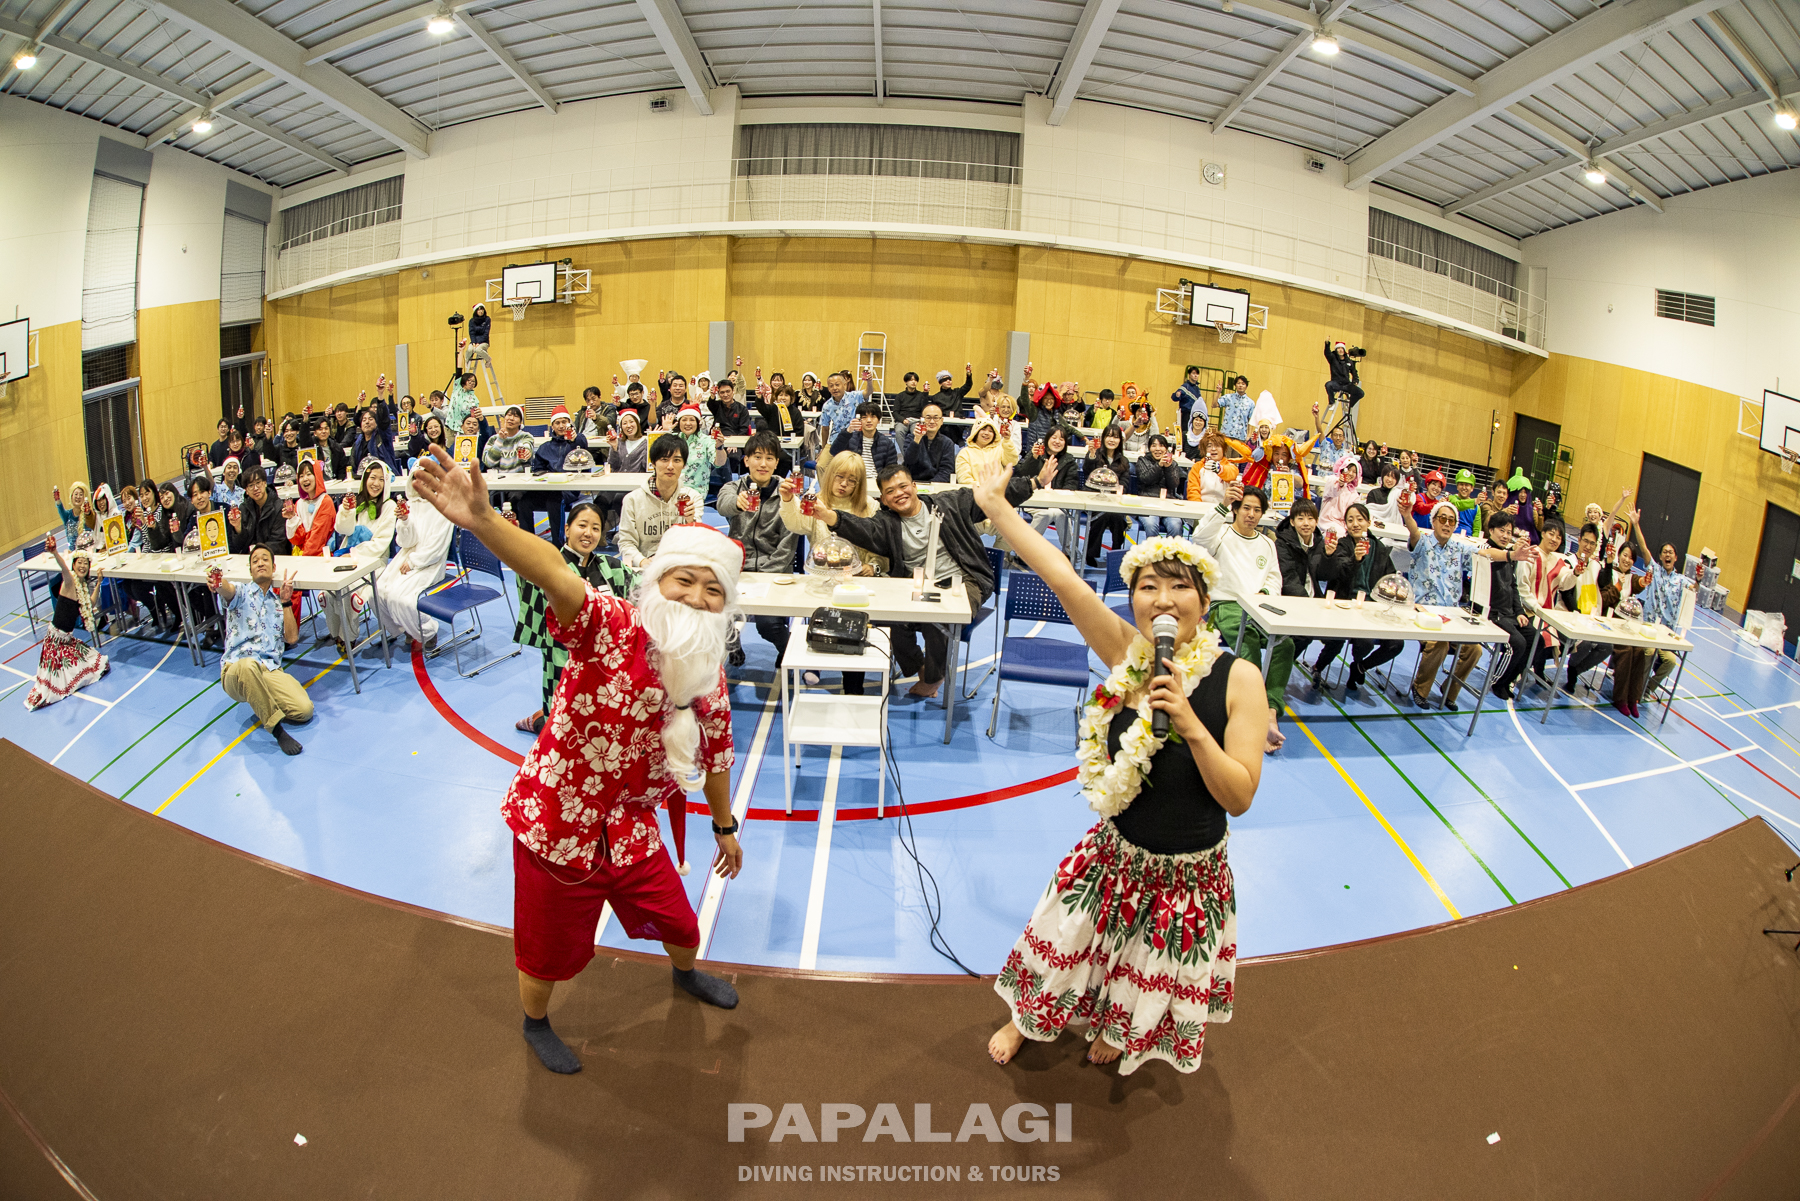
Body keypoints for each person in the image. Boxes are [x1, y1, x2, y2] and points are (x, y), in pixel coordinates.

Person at [410, 448, 746, 1075]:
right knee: (547, 952)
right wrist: (484, 521)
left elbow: (719, 754)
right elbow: (556, 574)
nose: (697, 598)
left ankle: (685, 974)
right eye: (685, 581)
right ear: (657, 582)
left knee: (680, 921)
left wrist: (725, 826)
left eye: (712, 589)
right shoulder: (611, 625)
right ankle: (535, 1021)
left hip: (631, 829)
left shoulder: (708, 675)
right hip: (557, 824)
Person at [969, 460, 1263, 1074]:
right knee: (1062, 942)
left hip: (1187, 876)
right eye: (1149, 586)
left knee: (1141, 970)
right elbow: (1063, 577)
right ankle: (1028, 1017)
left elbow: (1238, 797)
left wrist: (1189, 723)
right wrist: (997, 508)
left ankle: (1114, 1028)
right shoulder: (1128, 652)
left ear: (1205, 602)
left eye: (1180, 587)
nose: (1164, 599)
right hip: (1115, 854)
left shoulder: (1241, 680)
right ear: (1133, 599)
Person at [800, 462, 1034, 699]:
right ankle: (919, 667)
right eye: (890, 491)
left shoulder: (950, 503)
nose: (899, 494)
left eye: (903, 486)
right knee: (890, 616)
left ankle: (933, 678)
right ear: (884, 499)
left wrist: (1033, 482)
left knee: (938, 617)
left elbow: (991, 496)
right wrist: (828, 516)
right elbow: (864, 529)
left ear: (914, 486)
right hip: (917, 584)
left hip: (964, 581)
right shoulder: (887, 522)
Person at [512, 502, 638, 734]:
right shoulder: (550, 567)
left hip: (604, 661)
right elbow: (526, 572)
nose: (589, 533)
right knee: (563, 725)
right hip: (564, 659)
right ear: (567, 529)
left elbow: (643, 589)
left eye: (596, 528)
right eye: (582, 525)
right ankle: (538, 721)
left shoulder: (610, 567)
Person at [1400, 497, 1530, 709]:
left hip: (1451, 615)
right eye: (1443, 519)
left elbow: (1486, 553)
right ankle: (1420, 688)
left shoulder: (1459, 549)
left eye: (1451, 520)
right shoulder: (1423, 543)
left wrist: (1512, 555)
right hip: (1424, 612)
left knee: (1475, 650)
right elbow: (1414, 532)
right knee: (1440, 644)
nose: (1447, 524)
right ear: (1434, 521)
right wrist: (1407, 515)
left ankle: (1449, 691)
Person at [779, 450, 886, 694]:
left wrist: (873, 566)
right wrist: (787, 500)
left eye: (852, 480)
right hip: (822, 582)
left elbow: (881, 545)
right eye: (839, 477)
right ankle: (815, 665)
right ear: (829, 476)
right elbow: (796, 524)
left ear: (860, 484)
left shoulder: (871, 507)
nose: (844, 484)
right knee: (819, 623)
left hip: (857, 586)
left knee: (852, 632)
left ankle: (853, 685)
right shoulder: (816, 501)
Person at [1192, 483, 1288, 752]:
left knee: (1285, 644)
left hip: (1260, 605)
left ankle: (1270, 710)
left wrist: (1265, 593)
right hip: (1226, 604)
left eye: (1257, 510)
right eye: (1246, 508)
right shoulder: (1221, 533)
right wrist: (1223, 504)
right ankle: (1252, 715)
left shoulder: (1267, 544)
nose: (1251, 514)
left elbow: (1274, 578)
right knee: (1247, 643)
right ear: (1236, 510)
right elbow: (1199, 537)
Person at [210, 544, 311, 755]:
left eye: (265, 559)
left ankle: (260, 698)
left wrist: (286, 602)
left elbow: (292, 638)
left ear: (273, 567)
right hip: (237, 669)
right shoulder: (241, 592)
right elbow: (226, 589)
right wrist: (218, 583)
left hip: (269, 669)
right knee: (248, 665)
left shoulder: (278, 602)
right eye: (255, 561)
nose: (260, 563)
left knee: (304, 711)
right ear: (250, 570)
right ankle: (277, 730)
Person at [717, 431, 802, 667]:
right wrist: (737, 504)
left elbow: (787, 547)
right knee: (714, 610)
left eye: (769, 458)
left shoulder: (787, 495)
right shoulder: (734, 487)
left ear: (776, 463)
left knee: (768, 625)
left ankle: (788, 650)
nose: (763, 464)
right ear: (746, 460)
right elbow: (723, 504)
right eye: (757, 457)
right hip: (738, 569)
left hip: (773, 574)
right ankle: (733, 643)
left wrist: (763, 578)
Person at [1310, 503, 1403, 696]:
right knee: (1361, 641)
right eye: (1350, 520)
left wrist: (1394, 589)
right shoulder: (1342, 545)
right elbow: (1338, 571)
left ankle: (1360, 667)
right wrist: (1356, 559)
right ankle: (1318, 666)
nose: (1355, 524)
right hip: (1344, 605)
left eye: (1360, 519)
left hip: (1372, 609)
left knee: (1396, 644)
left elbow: (1390, 577)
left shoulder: (1379, 548)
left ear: (1369, 522)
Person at [25, 533, 110, 710]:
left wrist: (99, 583)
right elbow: (63, 568)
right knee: (57, 687)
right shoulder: (70, 582)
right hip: (55, 642)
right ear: (74, 564)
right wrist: (55, 552)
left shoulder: (82, 588)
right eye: (79, 562)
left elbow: (90, 603)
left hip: (68, 640)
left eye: (85, 564)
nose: (82, 566)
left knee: (98, 663)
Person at [323, 460, 398, 656]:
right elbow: (343, 530)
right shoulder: (358, 503)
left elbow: (380, 544)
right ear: (365, 479)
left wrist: (354, 553)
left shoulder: (389, 506)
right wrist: (346, 511)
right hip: (348, 557)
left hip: (373, 561)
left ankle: (348, 635)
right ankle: (336, 630)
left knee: (348, 588)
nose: (376, 483)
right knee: (326, 590)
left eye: (381, 479)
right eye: (372, 478)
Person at [374, 475, 455, 653]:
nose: (422, 482)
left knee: (399, 597)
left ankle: (427, 632)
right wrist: (405, 521)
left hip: (430, 563)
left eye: (425, 477)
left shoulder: (444, 507)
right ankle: (404, 627)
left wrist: (414, 562)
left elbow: (437, 548)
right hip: (406, 557)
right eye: (417, 478)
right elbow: (406, 542)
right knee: (378, 590)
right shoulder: (410, 505)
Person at [618, 434, 703, 570]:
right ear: (653, 463)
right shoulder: (633, 500)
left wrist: (691, 521)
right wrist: (643, 562)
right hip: (645, 569)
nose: (670, 466)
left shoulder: (691, 498)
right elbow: (626, 543)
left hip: (680, 567)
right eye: (664, 459)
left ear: (684, 465)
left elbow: (697, 543)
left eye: (677, 460)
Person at [1629, 514, 1689, 703]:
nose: (1667, 555)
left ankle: (1648, 688)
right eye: (1664, 552)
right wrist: (1636, 524)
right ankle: (1637, 688)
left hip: (1665, 634)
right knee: (1649, 651)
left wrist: (1700, 579)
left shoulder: (1681, 581)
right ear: (1661, 556)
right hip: (1648, 629)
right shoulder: (1654, 570)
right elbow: (1644, 548)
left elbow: (1694, 589)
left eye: (1671, 552)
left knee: (1671, 661)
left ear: (1676, 557)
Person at [1479, 512, 1533, 701]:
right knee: (1517, 643)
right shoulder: (1484, 549)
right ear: (1491, 530)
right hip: (1491, 613)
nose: (1505, 535)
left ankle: (1508, 679)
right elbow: (1488, 554)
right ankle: (1497, 682)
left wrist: (1519, 612)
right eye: (1501, 530)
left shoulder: (1509, 556)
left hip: (1509, 614)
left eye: (1509, 532)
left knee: (1534, 638)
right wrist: (1511, 554)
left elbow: (1513, 586)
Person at [1015, 424, 1083, 561]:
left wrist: (1056, 496)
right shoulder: (1037, 454)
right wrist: (1033, 457)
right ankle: (1025, 551)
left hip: (1057, 502)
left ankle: (1068, 552)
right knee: (1045, 513)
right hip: (1034, 499)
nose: (1057, 441)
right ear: (1047, 439)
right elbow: (1021, 474)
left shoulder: (1069, 461)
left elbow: (1071, 485)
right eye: (1054, 438)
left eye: (1061, 439)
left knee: (1059, 513)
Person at [1081, 422, 1133, 569]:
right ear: (1103, 438)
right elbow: (1087, 472)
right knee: (1102, 515)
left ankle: (1116, 551)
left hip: (1113, 500)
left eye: (1115, 437)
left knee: (1117, 517)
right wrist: (1091, 455)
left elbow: (1125, 482)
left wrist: (1115, 494)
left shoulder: (1123, 461)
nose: (1112, 440)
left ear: (1120, 441)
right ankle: (1090, 554)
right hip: (1093, 497)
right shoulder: (1095, 454)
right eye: (1109, 436)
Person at [1133, 435, 1186, 539]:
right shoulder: (1142, 461)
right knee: (1151, 525)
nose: (1157, 449)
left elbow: (1174, 485)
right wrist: (1159, 466)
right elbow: (1145, 479)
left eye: (1161, 445)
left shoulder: (1173, 464)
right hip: (1147, 502)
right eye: (1154, 446)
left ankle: (1171, 550)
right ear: (1149, 448)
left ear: (1166, 448)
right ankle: (1153, 550)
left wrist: (1168, 468)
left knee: (1176, 525)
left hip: (1167, 503)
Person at [830, 402, 899, 478]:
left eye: (873, 417)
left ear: (878, 420)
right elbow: (834, 452)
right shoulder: (850, 438)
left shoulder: (887, 443)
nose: (869, 420)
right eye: (864, 417)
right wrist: (848, 431)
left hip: (876, 481)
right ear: (859, 420)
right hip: (854, 479)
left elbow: (891, 469)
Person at [898, 402, 958, 484]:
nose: (932, 421)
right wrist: (916, 440)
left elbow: (946, 471)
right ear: (922, 420)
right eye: (928, 418)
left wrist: (931, 485)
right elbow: (909, 462)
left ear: (941, 421)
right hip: (913, 483)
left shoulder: (947, 443)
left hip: (937, 485)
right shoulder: (911, 438)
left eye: (936, 418)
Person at [954, 413, 1019, 487]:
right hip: (973, 492)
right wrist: (984, 488)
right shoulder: (964, 453)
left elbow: (1012, 461)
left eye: (990, 431)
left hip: (997, 491)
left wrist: (1007, 440)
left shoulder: (999, 450)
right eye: (983, 429)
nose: (986, 433)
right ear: (976, 432)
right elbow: (964, 479)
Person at [228, 469, 284, 555]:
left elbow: (278, 542)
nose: (255, 488)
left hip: (274, 556)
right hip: (250, 557)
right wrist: (238, 526)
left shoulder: (278, 506)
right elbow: (239, 546)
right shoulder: (243, 508)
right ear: (246, 490)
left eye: (258, 483)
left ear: (265, 483)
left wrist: (256, 553)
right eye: (251, 485)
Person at [1185, 432, 1239, 508]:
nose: (1213, 449)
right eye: (1209, 446)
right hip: (1201, 506)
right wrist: (1198, 507)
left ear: (1223, 449)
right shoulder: (1197, 467)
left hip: (1224, 508)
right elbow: (1193, 490)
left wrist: (1219, 469)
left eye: (1217, 446)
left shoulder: (1231, 467)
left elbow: (1231, 475)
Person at [351, 408, 396, 475]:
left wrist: (381, 404)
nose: (367, 422)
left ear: (376, 423)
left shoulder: (382, 438)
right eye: (364, 420)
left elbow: (385, 421)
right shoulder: (357, 444)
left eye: (370, 419)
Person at [1324, 340, 1363, 407]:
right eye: (1338, 348)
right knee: (1328, 385)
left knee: (1360, 393)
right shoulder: (1333, 358)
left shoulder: (1349, 361)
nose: (1340, 350)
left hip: (1346, 384)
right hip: (1336, 383)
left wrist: (1355, 381)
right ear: (1336, 350)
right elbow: (1327, 353)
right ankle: (1332, 402)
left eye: (1342, 348)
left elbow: (1354, 372)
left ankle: (1349, 404)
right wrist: (1327, 344)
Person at [1216, 374, 1254, 441]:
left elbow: (1251, 420)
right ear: (1235, 385)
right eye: (1238, 383)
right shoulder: (1228, 397)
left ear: (1246, 386)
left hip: (1241, 437)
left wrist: (1249, 435)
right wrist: (1218, 393)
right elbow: (1214, 405)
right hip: (1226, 434)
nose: (1240, 385)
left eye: (1243, 384)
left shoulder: (1251, 403)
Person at [1171, 364, 1205, 434]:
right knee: (1185, 433)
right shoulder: (1185, 387)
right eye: (1193, 373)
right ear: (1189, 374)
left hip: (1195, 414)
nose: (1195, 375)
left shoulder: (1197, 388)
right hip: (1186, 414)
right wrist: (1177, 395)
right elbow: (1174, 397)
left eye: (1197, 374)